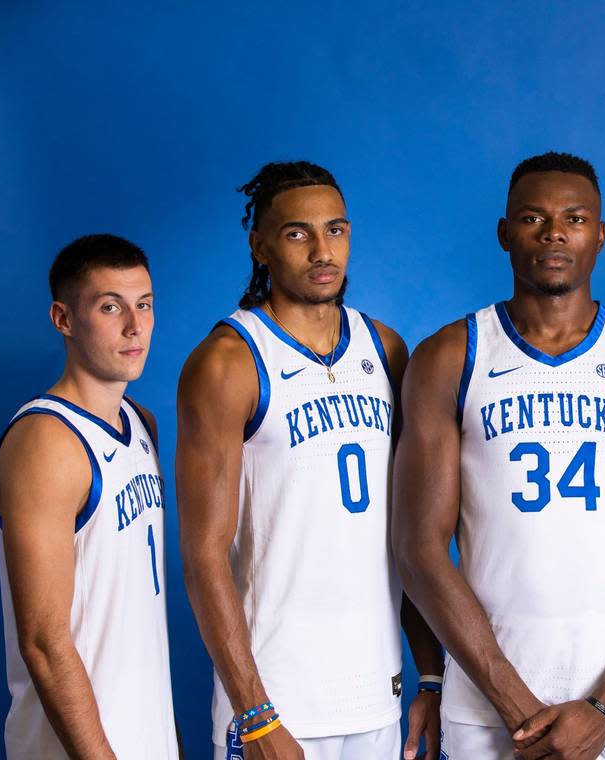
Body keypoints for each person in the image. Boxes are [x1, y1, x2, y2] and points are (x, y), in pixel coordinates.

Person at [392, 151, 605, 760]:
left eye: (574, 218)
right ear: (505, 234)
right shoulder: (450, 358)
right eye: (534, 219)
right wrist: (518, 710)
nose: (554, 233)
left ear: (599, 234)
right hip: (490, 703)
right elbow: (418, 548)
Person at [177, 160, 441, 760]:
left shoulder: (386, 349)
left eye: (337, 230)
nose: (323, 250)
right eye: (298, 233)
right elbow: (203, 554)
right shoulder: (228, 361)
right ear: (261, 246)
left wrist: (431, 674)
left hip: (376, 693)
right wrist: (255, 715)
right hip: (278, 702)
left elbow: (408, 534)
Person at [0, 234, 176, 759]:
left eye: (144, 305)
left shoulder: (142, 424)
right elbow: (45, 644)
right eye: (110, 307)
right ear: (63, 319)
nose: (135, 327)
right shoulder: (45, 442)